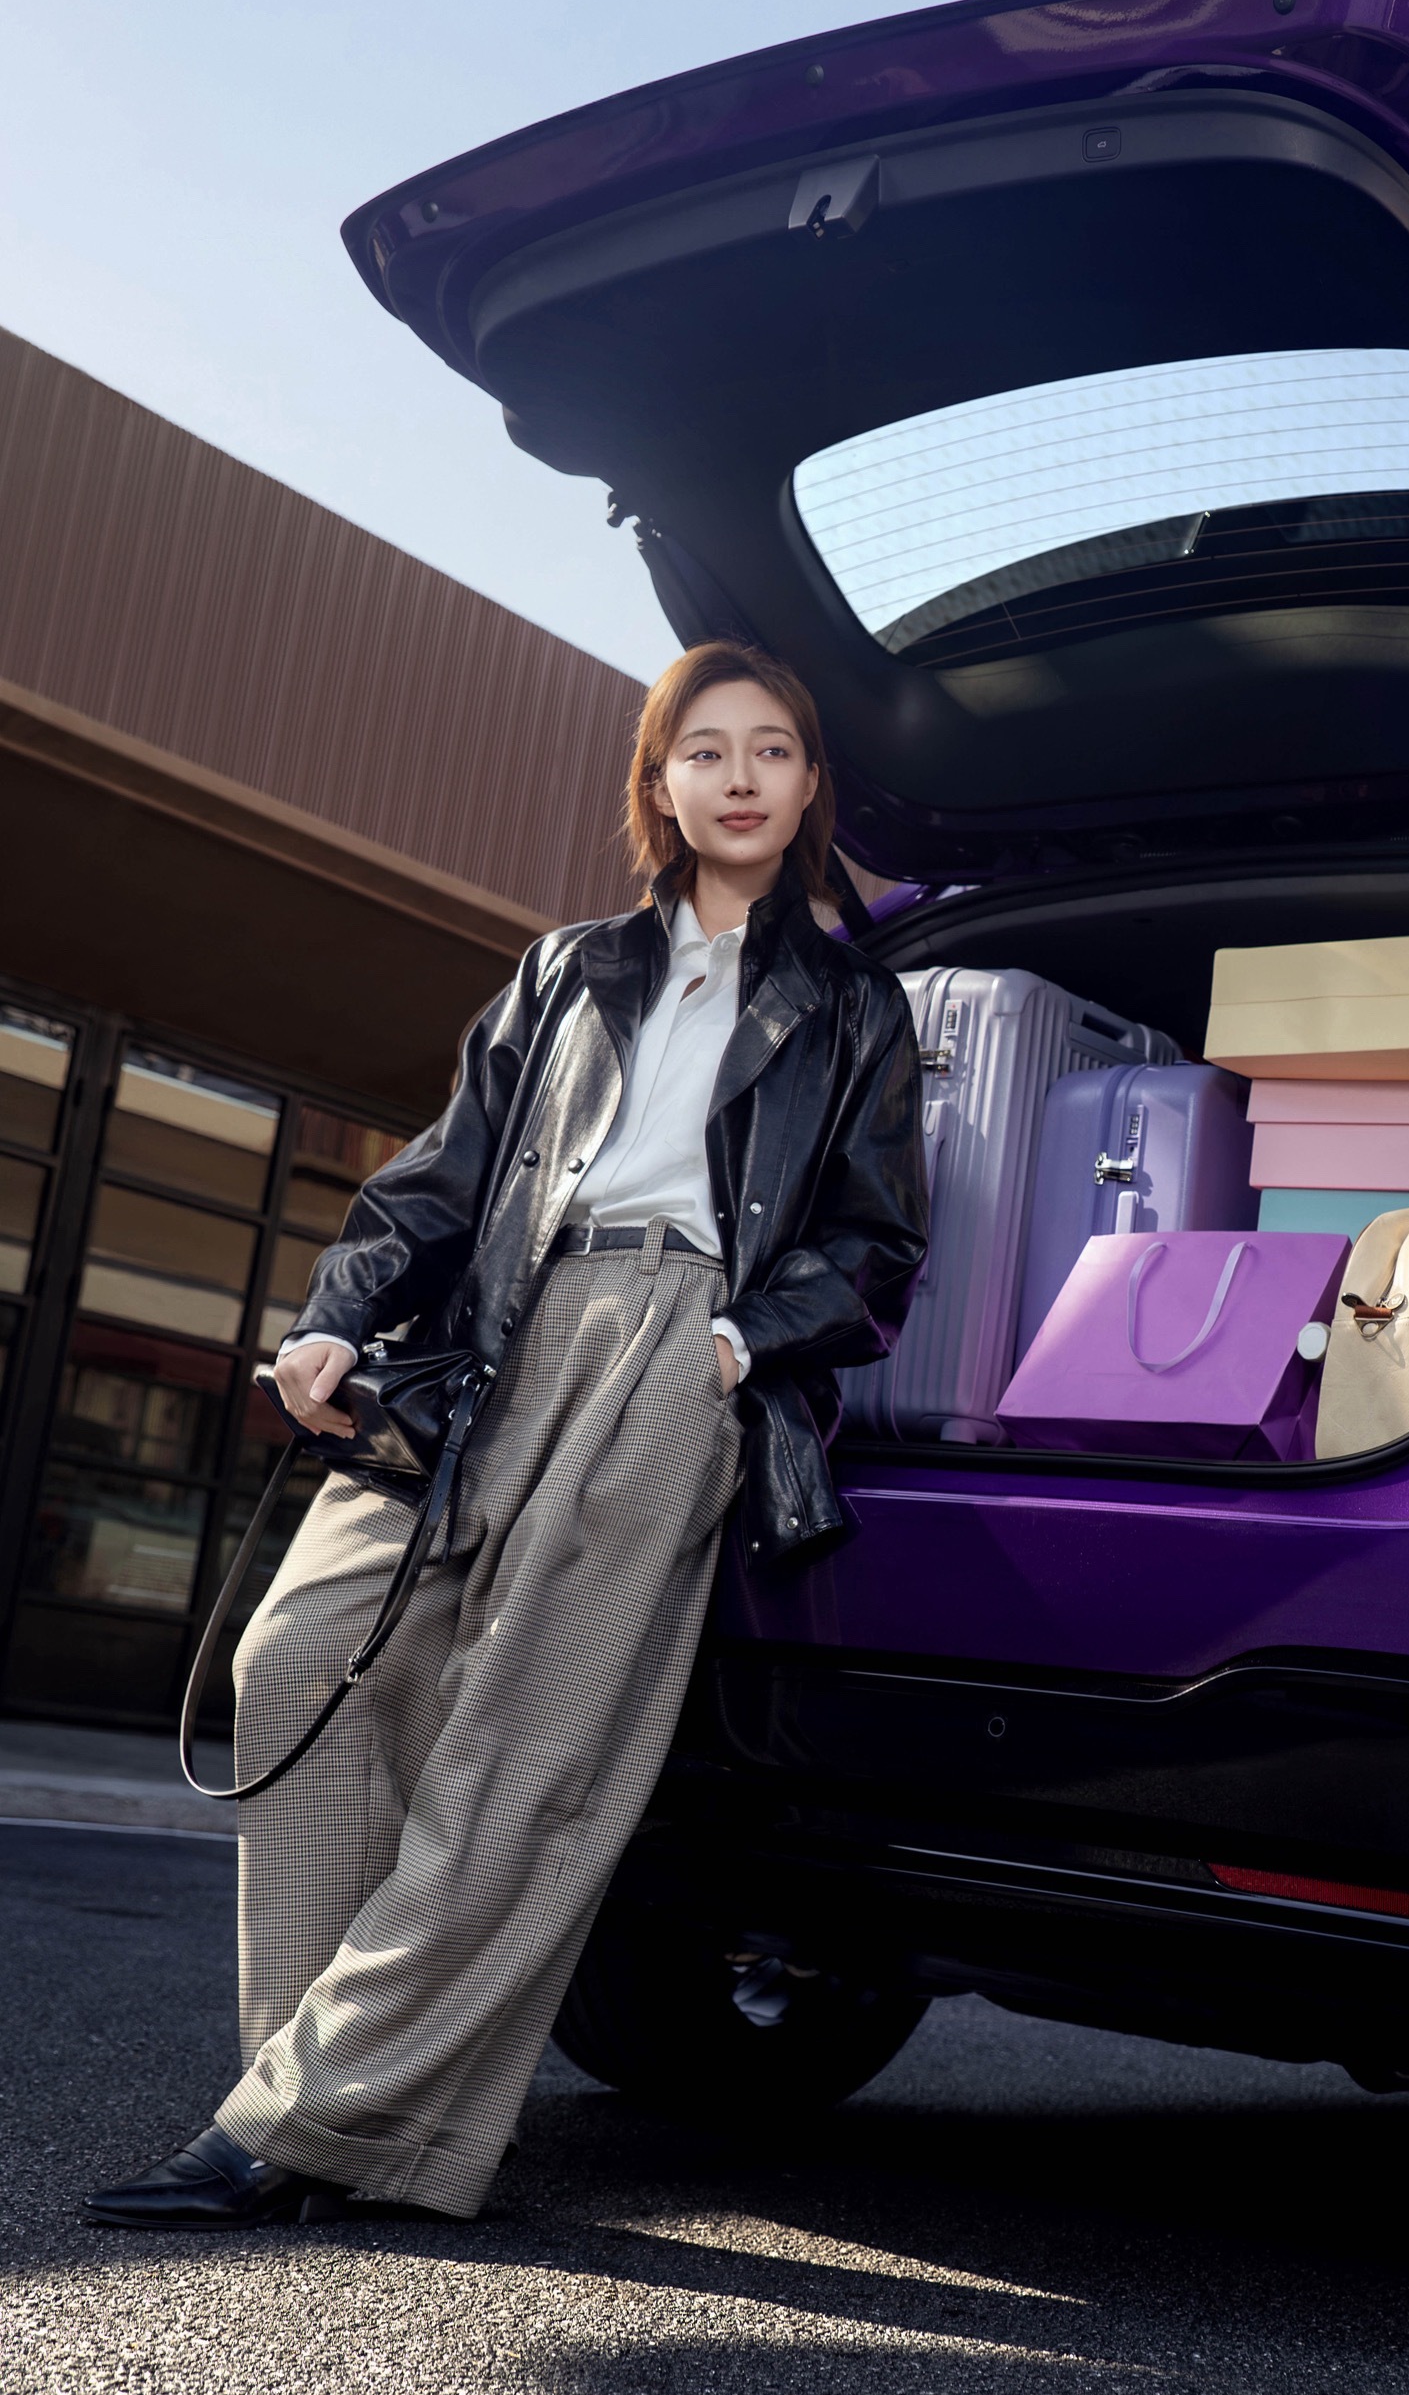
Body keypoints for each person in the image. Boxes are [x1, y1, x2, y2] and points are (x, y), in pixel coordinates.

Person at [86, 642, 928, 2227]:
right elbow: (446, 1172)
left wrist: (739, 1341)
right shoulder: (569, 970)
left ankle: (302, 2128)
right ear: (658, 781)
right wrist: (339, 1310)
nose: (739, 776)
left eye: (771, 749)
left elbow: (876, 1245)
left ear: (812, 783)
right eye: (704, 749)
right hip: (498, 1333)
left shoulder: (850, 1007)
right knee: (301, 1655)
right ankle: (316, 2096)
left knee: (522, 1753)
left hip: (678, 1351)